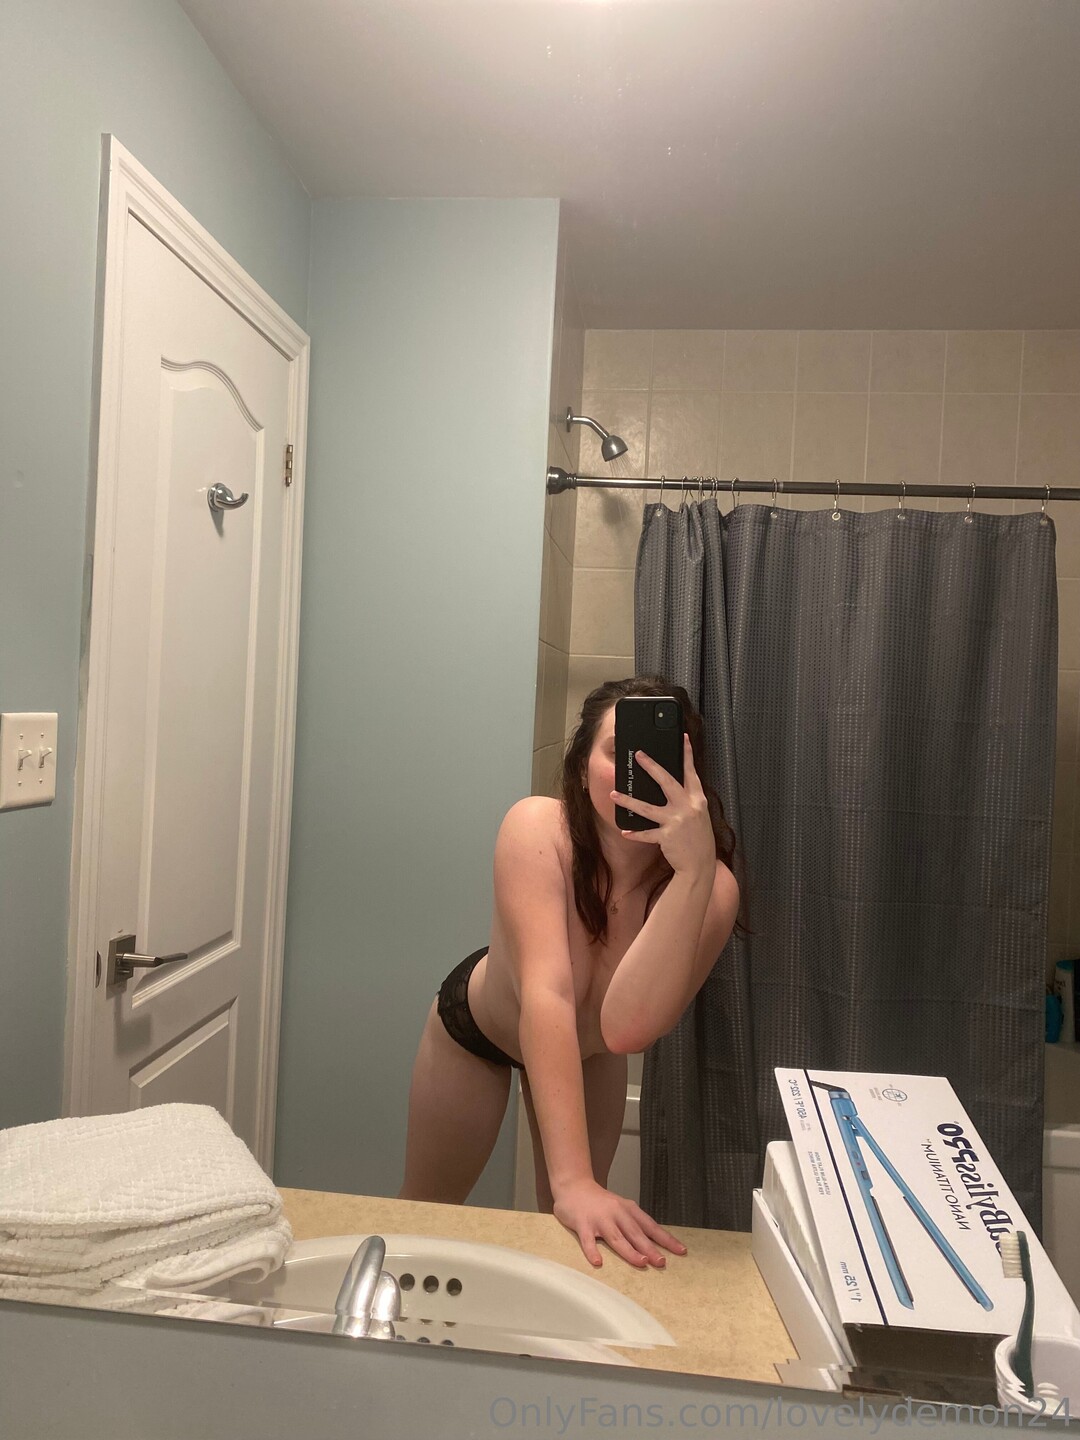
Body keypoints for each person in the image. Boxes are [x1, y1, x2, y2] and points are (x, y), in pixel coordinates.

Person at [399, 676, 741, 1269]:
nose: (638, 771)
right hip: (478, 1033)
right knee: (421, 1216)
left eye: (659, 757)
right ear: (582, 768)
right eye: (617, 752)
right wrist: (572, 1181)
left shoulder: (710, 890)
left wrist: (692, 874)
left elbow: (626, 1032)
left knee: (575, 1238)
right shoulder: (537, 829)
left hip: (592, 1051)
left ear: (692, 778)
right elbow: (547, 995)